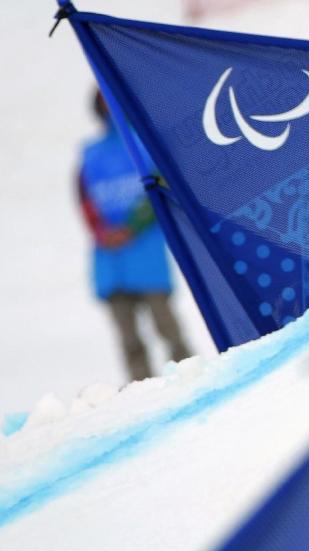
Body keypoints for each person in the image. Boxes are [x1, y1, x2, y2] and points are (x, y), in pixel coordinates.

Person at [78, 90, 190, 381]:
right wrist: (103, 232)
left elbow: (159, 187)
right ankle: (141, 390)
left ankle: (191, 376)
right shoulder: (91, 153)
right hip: (111, 258)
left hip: (147, 251)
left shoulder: (144, 144)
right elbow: (85, 200)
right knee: (129, 339)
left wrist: (132, 227)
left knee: (166, 326)